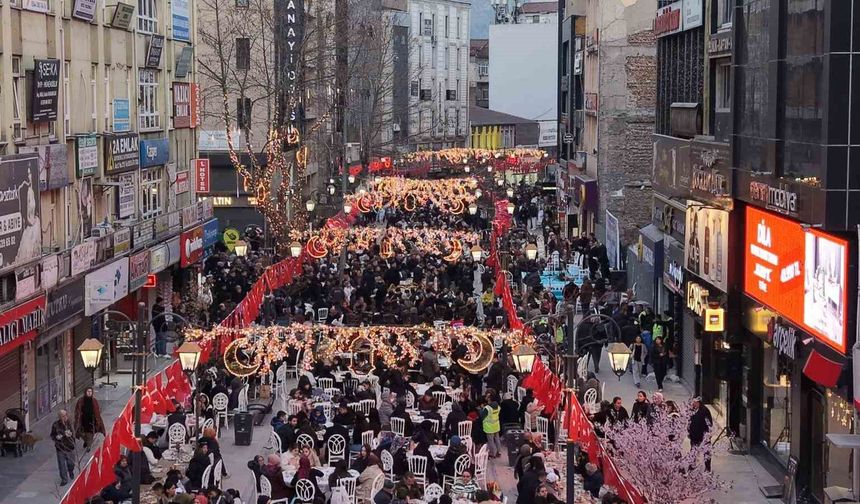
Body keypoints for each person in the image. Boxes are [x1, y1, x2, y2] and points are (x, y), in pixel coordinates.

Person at [74, 387, 105, 451]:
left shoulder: (94, 401)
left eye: (90, 391)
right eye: (88, 391)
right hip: (82, 420)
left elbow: (97, 410)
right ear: (85, 392)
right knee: (81, 433)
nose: (89, 393)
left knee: (90, 434)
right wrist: (77, 417)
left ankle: (89, 446)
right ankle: (86, 441)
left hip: (91, 420)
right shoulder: (80, 400)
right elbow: (77, 410)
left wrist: (97, 419)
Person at [51, 409, 76, 485]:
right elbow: (52, 435)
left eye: (65, 415)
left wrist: (71, 434)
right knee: (61, 464)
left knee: (71, 463)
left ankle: (71, 470)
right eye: (62, 416)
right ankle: (64, 479)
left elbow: (73, 433)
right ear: (59, 417)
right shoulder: (55, 425)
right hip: (60, 447)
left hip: (69, 446)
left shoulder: (70, 423)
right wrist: (56, 437)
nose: (65, 417)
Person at [688, 396, 714, 471]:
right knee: (693, 451)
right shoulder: (691, 410)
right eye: (692, 402)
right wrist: (689, 431)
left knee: (706, 452)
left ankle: (707, 467)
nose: (693, 404)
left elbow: (709, 423)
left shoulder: (705, 410)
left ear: (699, 403)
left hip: (704, 435)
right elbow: (689, 422)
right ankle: (691, 466)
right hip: (694, 435)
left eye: (695, 402)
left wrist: (708, 434)